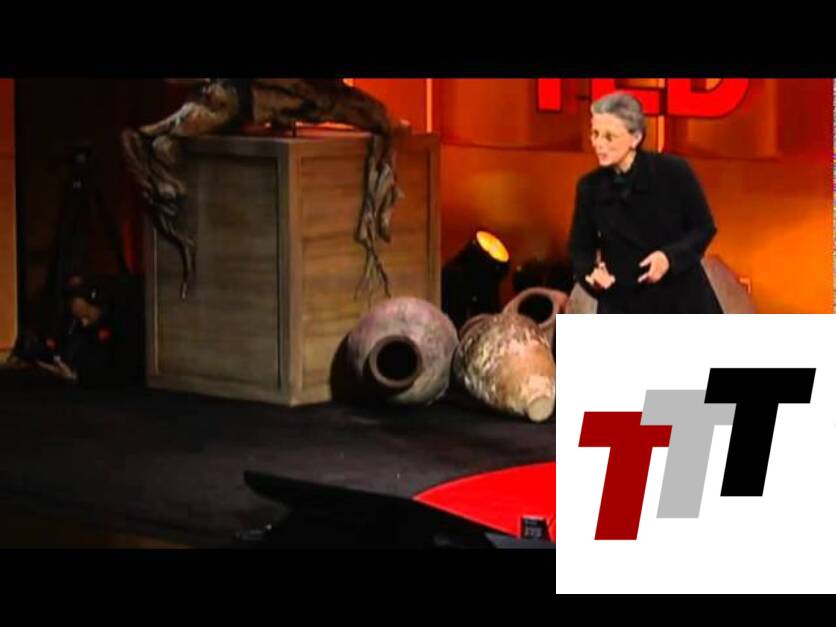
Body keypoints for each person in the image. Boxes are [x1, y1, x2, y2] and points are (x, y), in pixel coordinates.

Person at [569, 92, 722, 314]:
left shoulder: (674, 172)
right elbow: (579, 250)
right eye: (595, 134)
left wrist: (668, 259)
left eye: (609, 137)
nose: (599, 144)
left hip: (682, 302)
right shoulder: (590, 187)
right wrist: (591, 274)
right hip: (623, 304)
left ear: (635, 138)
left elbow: (704, 228)